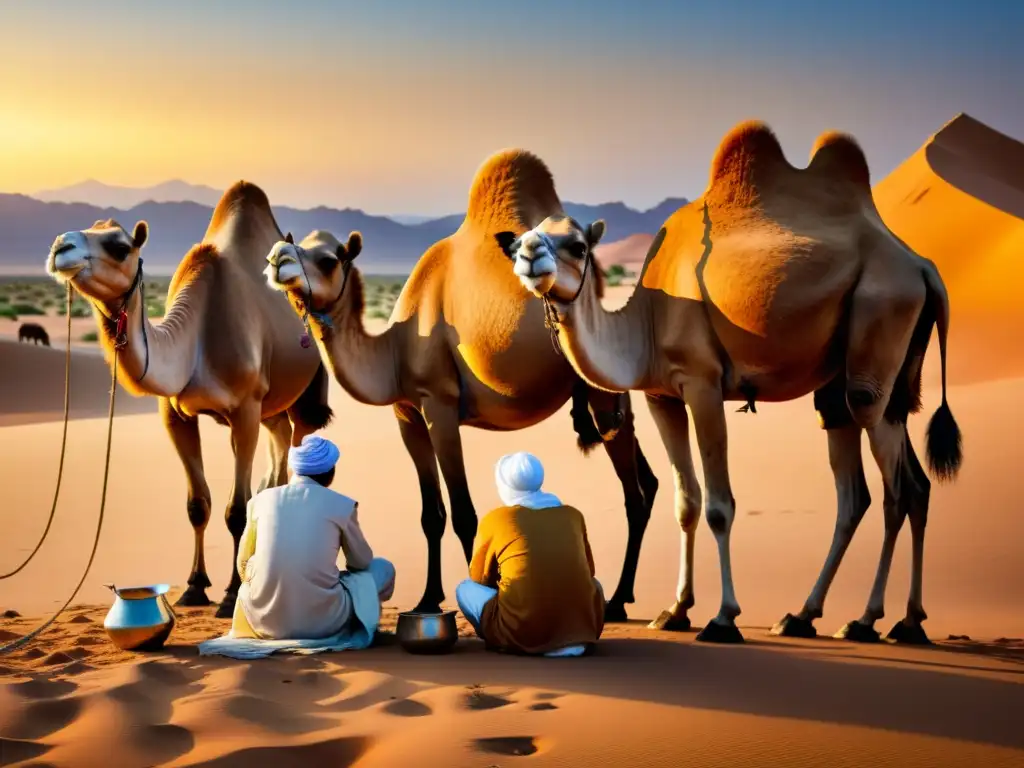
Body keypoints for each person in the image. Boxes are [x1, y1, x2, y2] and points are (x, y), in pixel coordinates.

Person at [230, 435, 395, 641]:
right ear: (331, 473)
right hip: (325, 623)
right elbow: (361, 562)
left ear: (294, 469)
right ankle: (367, 623)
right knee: (383, 568)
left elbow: (243, 566)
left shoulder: (260, 501)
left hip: (263, 621)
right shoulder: (342, 505)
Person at [455, 451, 604, 657]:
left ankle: (501, 638)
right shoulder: (572, 515)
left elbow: (478, 578)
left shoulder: (497, 519)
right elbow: (590, 571)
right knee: (596, 585)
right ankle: (569, 634)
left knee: (465, 589)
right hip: (581, 635)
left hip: (522, 635)